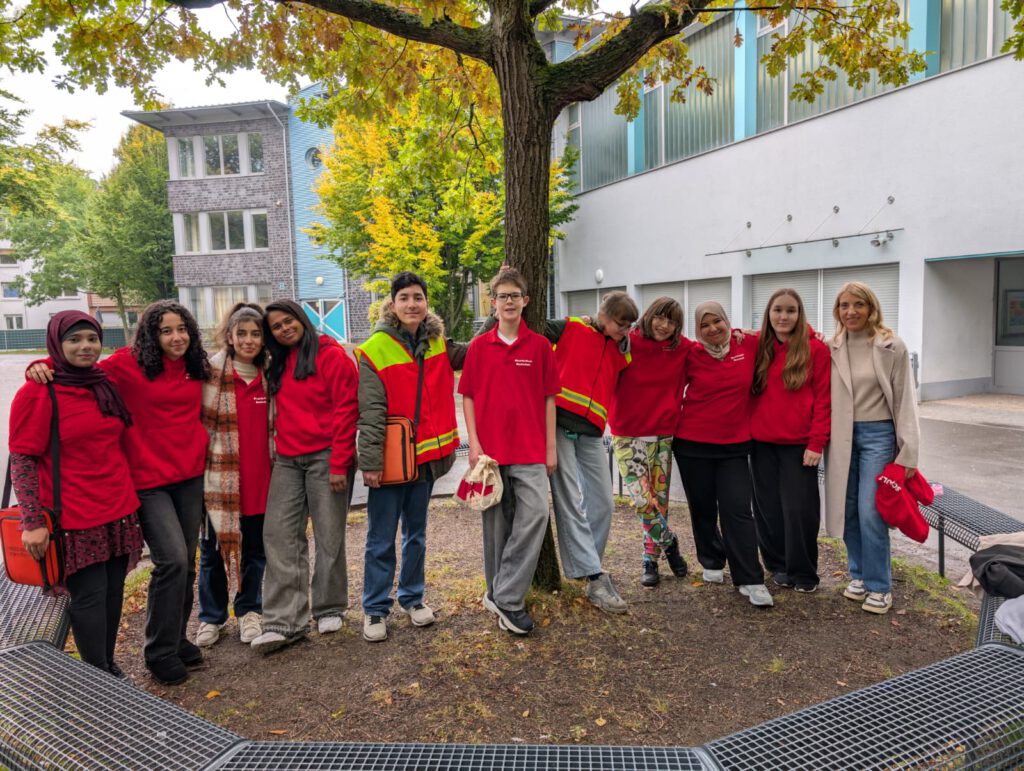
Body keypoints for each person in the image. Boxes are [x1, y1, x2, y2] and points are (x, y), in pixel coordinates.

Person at [26, 299, 211, 684]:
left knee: (187, 563)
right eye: (165, 331)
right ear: (150, 335)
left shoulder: (196, 365)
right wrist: (40, 365)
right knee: (173, 561)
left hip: (190, 476)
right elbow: (78, 366)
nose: (176, 337)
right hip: (147, 481)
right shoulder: (126, 365)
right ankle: (159, 651)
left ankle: (176, 637)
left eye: (182, 329)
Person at [9, 311, 143, 678]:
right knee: (90, 596)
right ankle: (96, 674)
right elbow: (22, 459)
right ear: (57, 343)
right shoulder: (38, 392)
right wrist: (32, 521)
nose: (85, 346)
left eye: (91, 339)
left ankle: (109, 666)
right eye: (74, 340)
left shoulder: (103, 382)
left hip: (118, 506)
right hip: (74, 516)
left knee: (113, 591)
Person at [355, 272, 468, 643]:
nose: (412, 304)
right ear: (392, 303)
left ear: (426, 302)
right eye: (404, 297)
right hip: (391, 460)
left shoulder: (437, 342)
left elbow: (477, 352)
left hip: (425, 461)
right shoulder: (375, 349)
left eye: (418, 297)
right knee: (381, 537)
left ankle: (412, 597)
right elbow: (370, 412)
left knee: (416, 534)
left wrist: (503, 309)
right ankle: (375, 608)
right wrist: (370, 463)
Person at [250, 300, 358, 653]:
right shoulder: (277, 362)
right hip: (288, 459)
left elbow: (347, 409)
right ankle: (283, 621)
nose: (284, 329)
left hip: (327, 456)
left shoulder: (330, 355)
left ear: (301, 319)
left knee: (329, 534)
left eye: (288, 321)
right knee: (279, 534)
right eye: (276, 326)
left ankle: (329, 607)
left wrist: (340, 463)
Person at [459, 267, 560, 635]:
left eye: (515, 295)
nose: (509, 301)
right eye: (503, 296)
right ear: (493, 302)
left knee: (536, 515)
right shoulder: (478, 347)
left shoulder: (540, 347)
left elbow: (549, 398)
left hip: (531, 449)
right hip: (491, 454)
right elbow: (468, 397)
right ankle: (496, 592)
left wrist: (550, 448)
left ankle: (507, 595)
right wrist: (475, 445)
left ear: (525, 300)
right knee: (496, 527)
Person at [825, 282, 919, 615]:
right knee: (847, 509)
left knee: (870, 510)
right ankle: (860, 575)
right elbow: (789, 337)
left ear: (871, 308)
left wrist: (908, 451)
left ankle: (880, 586)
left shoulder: (891, 345)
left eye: (858, 305)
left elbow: (906, 399)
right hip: (840, 436)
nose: (850, 311)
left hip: (879, 435)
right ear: (837, 310)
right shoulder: (831, 346)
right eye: (844, 305)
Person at [672, 301, 773, 608]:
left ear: (728, 322)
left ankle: (750, 578)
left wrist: (815, 334)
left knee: (738, 509)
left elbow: (782, 333)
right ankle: (712, 559)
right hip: (691, 443)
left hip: (734, 446)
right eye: (704, 325)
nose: (712, 329)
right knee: (702, 508)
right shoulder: (691, 352)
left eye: (717, 321)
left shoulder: (747, 344)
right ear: (697, 329)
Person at [546, 291, 637, 614]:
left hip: (593, 432)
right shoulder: (571, 327)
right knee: (569, 499)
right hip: (558, 424)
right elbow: (530, 328)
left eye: (629, 326)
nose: (625, 330)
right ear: (604, 316)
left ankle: (588, 567)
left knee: (603, 504)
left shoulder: (622, 349)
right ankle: (595, 577)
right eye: (620, 324)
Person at [195, 303, 272, 649]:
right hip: (220, 480)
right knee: (212, 553)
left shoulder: (271, 374)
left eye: (256, 333)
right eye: (242, 333)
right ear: (229, 335)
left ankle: (249, 610)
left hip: (261, 481)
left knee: (255, 551)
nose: (249, 340)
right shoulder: (210, 373)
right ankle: (211, 616)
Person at [749, 288, 831, 594]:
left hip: (799, 446)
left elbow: (824, 400)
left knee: (799, 510)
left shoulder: (816, 349)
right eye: (778, 310)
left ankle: (804, 572)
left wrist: (816, 443)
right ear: (768, 314)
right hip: (760, 443)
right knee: (767, 510)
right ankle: (778, 566)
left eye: (790, 310)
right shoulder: (758, 346)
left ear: (799, 314)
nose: (783, 316)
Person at [608, 297, 691, 588]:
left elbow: (714, 344)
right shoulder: (626, 342)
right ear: (648, 315)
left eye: (672, 321)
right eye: (660, 317)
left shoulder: (681, 348)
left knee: (659, 500)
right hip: (627, 434)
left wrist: (740, 333)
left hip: (663, 435)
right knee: (642, 500)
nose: (664, 325)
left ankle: (650, 560)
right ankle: (669, 542)